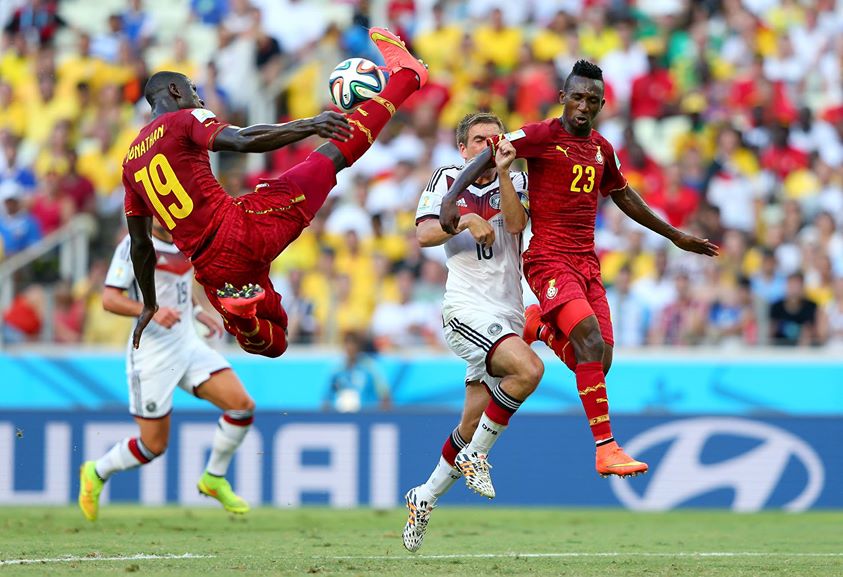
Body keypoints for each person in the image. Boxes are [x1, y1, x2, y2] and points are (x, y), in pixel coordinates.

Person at [439, 60, 718, 479]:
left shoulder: (602, 149)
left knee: (599, 359)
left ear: (602, 104)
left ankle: (539, 324)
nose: (583, 106)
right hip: (548, 258)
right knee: (587, 340)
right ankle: (606, 448)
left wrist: (674, 235)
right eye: (577, 97)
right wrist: (452, 197)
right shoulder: (542, 135)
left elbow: (625, 196)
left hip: (586, 263)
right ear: (562, 98)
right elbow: (491, 155)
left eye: (592, 100)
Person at [123, 28, 428, 358]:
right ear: (173, 90)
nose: (200, 98)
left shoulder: (129, 164)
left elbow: (141, 245)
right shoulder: (183, 118)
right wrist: (309, 125)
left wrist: (149, 304)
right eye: (193, 90)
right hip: (240, 228)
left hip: (212, 270)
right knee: (329, 158)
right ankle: (407, 77)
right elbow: (242, 141)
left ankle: (247, 320)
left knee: (276, 341)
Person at [402, 112, 543, 552]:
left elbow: (517, 226)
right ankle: (475, 457)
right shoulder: (446, 179)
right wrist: (462, 221)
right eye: (478, 139)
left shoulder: (515, 179)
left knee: (470, 422)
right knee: (530, 370)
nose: (486, 144)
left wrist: (502, 172)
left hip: (508, 310)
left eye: (493, 138)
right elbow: (424, 232)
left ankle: (423, 496)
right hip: (465, 307)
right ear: (463, 148)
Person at [78, 221, 254, 521]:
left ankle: (213, 478)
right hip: (152, 354)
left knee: (242, 406)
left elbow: (181, 284)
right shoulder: (134, 246)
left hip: (188, 344)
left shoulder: (186, 239)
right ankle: (97, 471)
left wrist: (198, 313)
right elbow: (110, 299)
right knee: (153, 445)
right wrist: (151, 311)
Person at [323, 331, 391, 412]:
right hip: (340, 415)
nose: (350, 347)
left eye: (353, 344)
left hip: (366, 414)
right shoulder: (336, 369)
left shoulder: (369, 367)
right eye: (347, 343)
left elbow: (384, 394)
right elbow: (326, 397)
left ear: (359, 347)